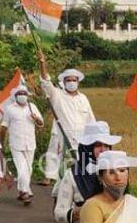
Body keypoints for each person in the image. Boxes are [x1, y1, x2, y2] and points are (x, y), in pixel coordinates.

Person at [35, 50, 95, 187]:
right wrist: (42, 63)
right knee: (59, 164)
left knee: (79, 170)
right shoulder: (57, 95)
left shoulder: (83, 99)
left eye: (74, 80)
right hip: (62, 137)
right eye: (68, 80)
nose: (71, 83)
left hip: (80, 139)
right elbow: (45, 82)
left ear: (78, 82)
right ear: (64, 82)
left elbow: (91, 121)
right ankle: (53, 181)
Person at [0, 86, 44, 205]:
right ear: (15, 96)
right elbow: (3, 127)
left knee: (28, 169)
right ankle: (25, 192)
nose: (22, 95)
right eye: (20, 93)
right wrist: (1, 144)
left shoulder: (32, 107)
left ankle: (20, 190)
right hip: (16, 143)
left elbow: (41, 124)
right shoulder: (10, 109)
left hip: (30, 143)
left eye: (24, 93)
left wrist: (36, 119)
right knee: (22, 168)